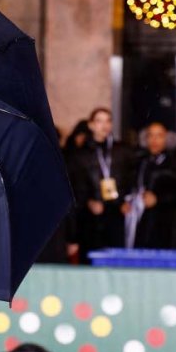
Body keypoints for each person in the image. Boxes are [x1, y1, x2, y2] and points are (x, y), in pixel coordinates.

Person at [72, 107, 133, 262]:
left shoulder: (122, 151)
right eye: (99, 121)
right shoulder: (80, 154)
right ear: (91, 125)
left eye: (108, 121)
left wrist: (128, 200)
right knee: (91, 259)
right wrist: (88, 202)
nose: (104, 125)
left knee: (116, 260)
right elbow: (75, 187)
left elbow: (131, 179)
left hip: (117, 213)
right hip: (92, 216)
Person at [121, 123, 176, 249]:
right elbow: (131, 185)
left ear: (167, 139)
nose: (154, 140)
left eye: (159, 136)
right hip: (140, 220)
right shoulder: (140, 161)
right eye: (150, 136)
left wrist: (158, 199)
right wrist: (126, 201)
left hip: (167, 224)